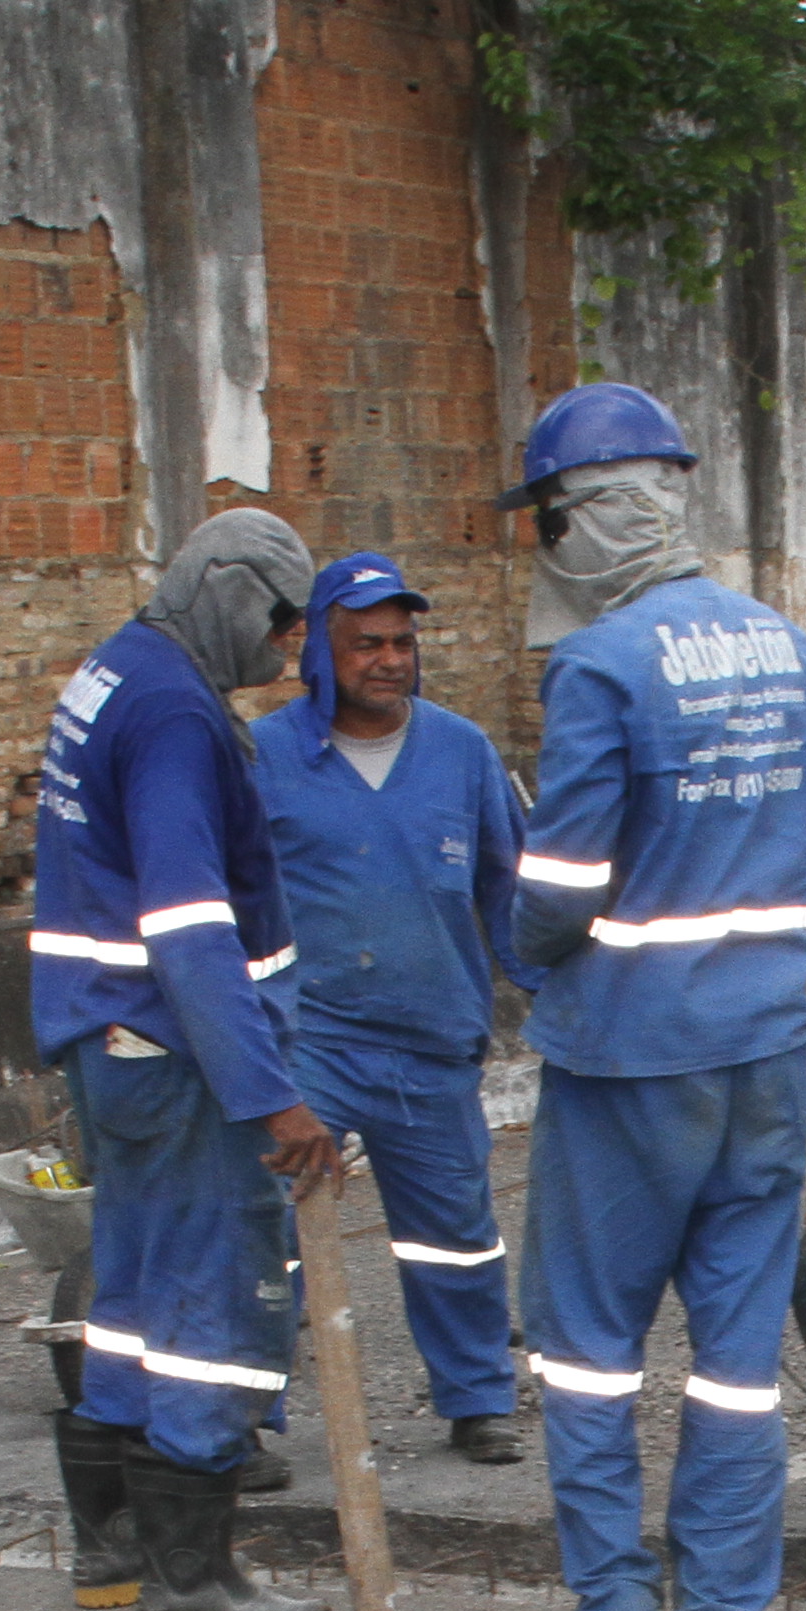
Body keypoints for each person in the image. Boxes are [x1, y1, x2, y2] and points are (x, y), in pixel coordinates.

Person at [499, 381, 806, 1611]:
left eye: (548, 521)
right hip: (762, 1056)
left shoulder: (600, 667)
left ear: (591, 517)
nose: (543, 548)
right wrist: (754, 830)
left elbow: (559, 891)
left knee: (589, 1351)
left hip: (627, 1063)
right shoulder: (781, 645)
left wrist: (520, 955)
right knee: (733, 1358)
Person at [26, 507, 339, 1611]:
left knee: (133, 1291)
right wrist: (270, 1096)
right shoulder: (170, 713)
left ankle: (113, 1547)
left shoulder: (118, 670)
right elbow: (190, 924)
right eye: (280, 617)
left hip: (109, 1040)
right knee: (214, 1297)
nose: (287, 645)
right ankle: (193, 1580)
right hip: (174, 1052)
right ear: (227, 589)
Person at [250, 552, 529, 1465]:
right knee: (268, 1229)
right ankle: (245, 1411)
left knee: (454, 1234)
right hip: (312, 1038)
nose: (390, 659)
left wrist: (555, 992)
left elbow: (511, 889)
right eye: (367, 642)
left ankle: (477, 1397)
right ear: (319, 650)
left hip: (431, 1033)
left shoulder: (462, 751)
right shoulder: (264, 756)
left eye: (403, 643)